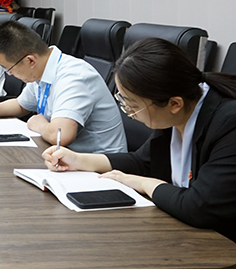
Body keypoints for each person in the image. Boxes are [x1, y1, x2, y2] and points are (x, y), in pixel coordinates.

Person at [43, 38, 236, 241]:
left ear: (174, 104)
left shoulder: (229, 124)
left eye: (133, 105)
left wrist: (142, 184)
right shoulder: (178, 112)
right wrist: (78, 160)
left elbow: (198, 207)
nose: (129, 112)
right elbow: (142, 162)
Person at [0, 20, 126, 153]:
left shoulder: (73, 77)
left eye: (9, 69)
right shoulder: (41, 70)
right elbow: (21, 105)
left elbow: (61, 135)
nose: (10, 74)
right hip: (67, 156)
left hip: (100, 167)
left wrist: (39, 124)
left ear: (30, 61)